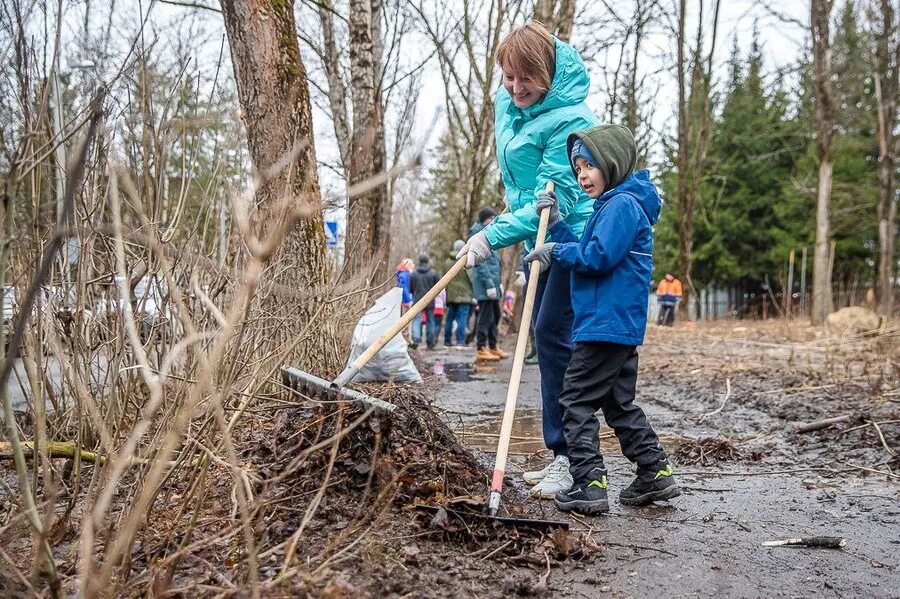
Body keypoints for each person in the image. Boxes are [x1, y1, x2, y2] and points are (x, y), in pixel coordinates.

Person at [456, 22, 598, 497]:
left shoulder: (571, 120)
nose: (515, 88)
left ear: (548, 73)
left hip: (568, 235)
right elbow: (520, 189)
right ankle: (561, 453)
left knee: (553, 339)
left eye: (526, 78)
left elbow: (550, 199)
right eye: (509, 76)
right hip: (536, 231)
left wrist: (489, 236)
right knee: (545, 337)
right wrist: (493, 233)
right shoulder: (508, 103)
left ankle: (572, 460)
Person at [524, 124, 681, 514]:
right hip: (615, 327)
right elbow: (592, 248)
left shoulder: (621, 206)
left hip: (604, 326)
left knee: (574, 400)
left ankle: (589, 482)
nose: (581, 176)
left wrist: (557, 251)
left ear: (611, 163)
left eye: (589, 166)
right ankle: (655, 473)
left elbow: (596, 258)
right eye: (577, 169)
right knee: (619, 405)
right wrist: (559, 227)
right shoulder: (616, 206)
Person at [470, 208, 509, 361]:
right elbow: (480, 263)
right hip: (485, 285)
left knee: (495, 316)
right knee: (485, 317)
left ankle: (493, 346)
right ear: (484, 219)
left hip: (493, 283)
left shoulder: (490, 232)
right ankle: (481, 347)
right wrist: (489, 284)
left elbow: (495, 263)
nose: (493, 220)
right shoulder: (478, 234)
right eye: (491, 218)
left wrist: (498, 284)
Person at [443, 240, 474, 347]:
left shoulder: (447, 262)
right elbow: (471, 278)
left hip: (451, 296)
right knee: (462, 319)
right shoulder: (465, 260)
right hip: (464, 296)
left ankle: (447, 340)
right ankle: (460, 341)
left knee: (449, 318)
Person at [409, 254, 440, 349]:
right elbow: (438, 287)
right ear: (427, 261)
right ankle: (430, 342)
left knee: (416, 320)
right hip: (430, 300)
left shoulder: (413, 274)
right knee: (431, 321)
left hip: (417, 300)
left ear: (419, 261)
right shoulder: (433, 273)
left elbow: (411, 288)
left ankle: (416, 340)